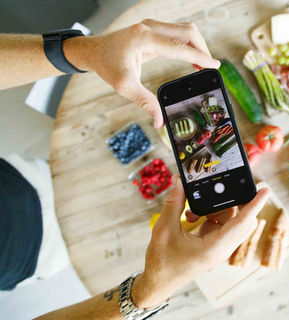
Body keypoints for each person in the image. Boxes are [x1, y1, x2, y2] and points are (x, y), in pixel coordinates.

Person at [0, 19, 270, 319]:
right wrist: (148, 291)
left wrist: (82, 50)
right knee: (59, 255)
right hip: (34, 254)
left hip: (19, 176)